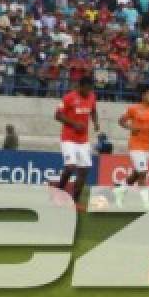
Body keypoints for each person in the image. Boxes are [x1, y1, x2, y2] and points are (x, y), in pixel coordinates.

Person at [50, 74, 99, 206]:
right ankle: (58, 191)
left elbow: (93, 110)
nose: (88, 92)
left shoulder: (92, 96)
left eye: (90, 89)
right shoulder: (69, 97)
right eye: (87, 89)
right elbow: (57, 115)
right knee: (70, 167)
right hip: (69, 138)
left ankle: (75, 200)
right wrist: (74, 124)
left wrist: (95, 122)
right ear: (80, 86)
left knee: (84, 170)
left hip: (83, 140)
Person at [115, 85, 149, 209]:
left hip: (147, 146)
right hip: (135, 145)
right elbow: (121, 121)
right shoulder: (133, 109)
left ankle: (119, 190)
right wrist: (131, 128)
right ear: (143, 95)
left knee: (136, 174)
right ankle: (146, 203)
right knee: (142, 173)